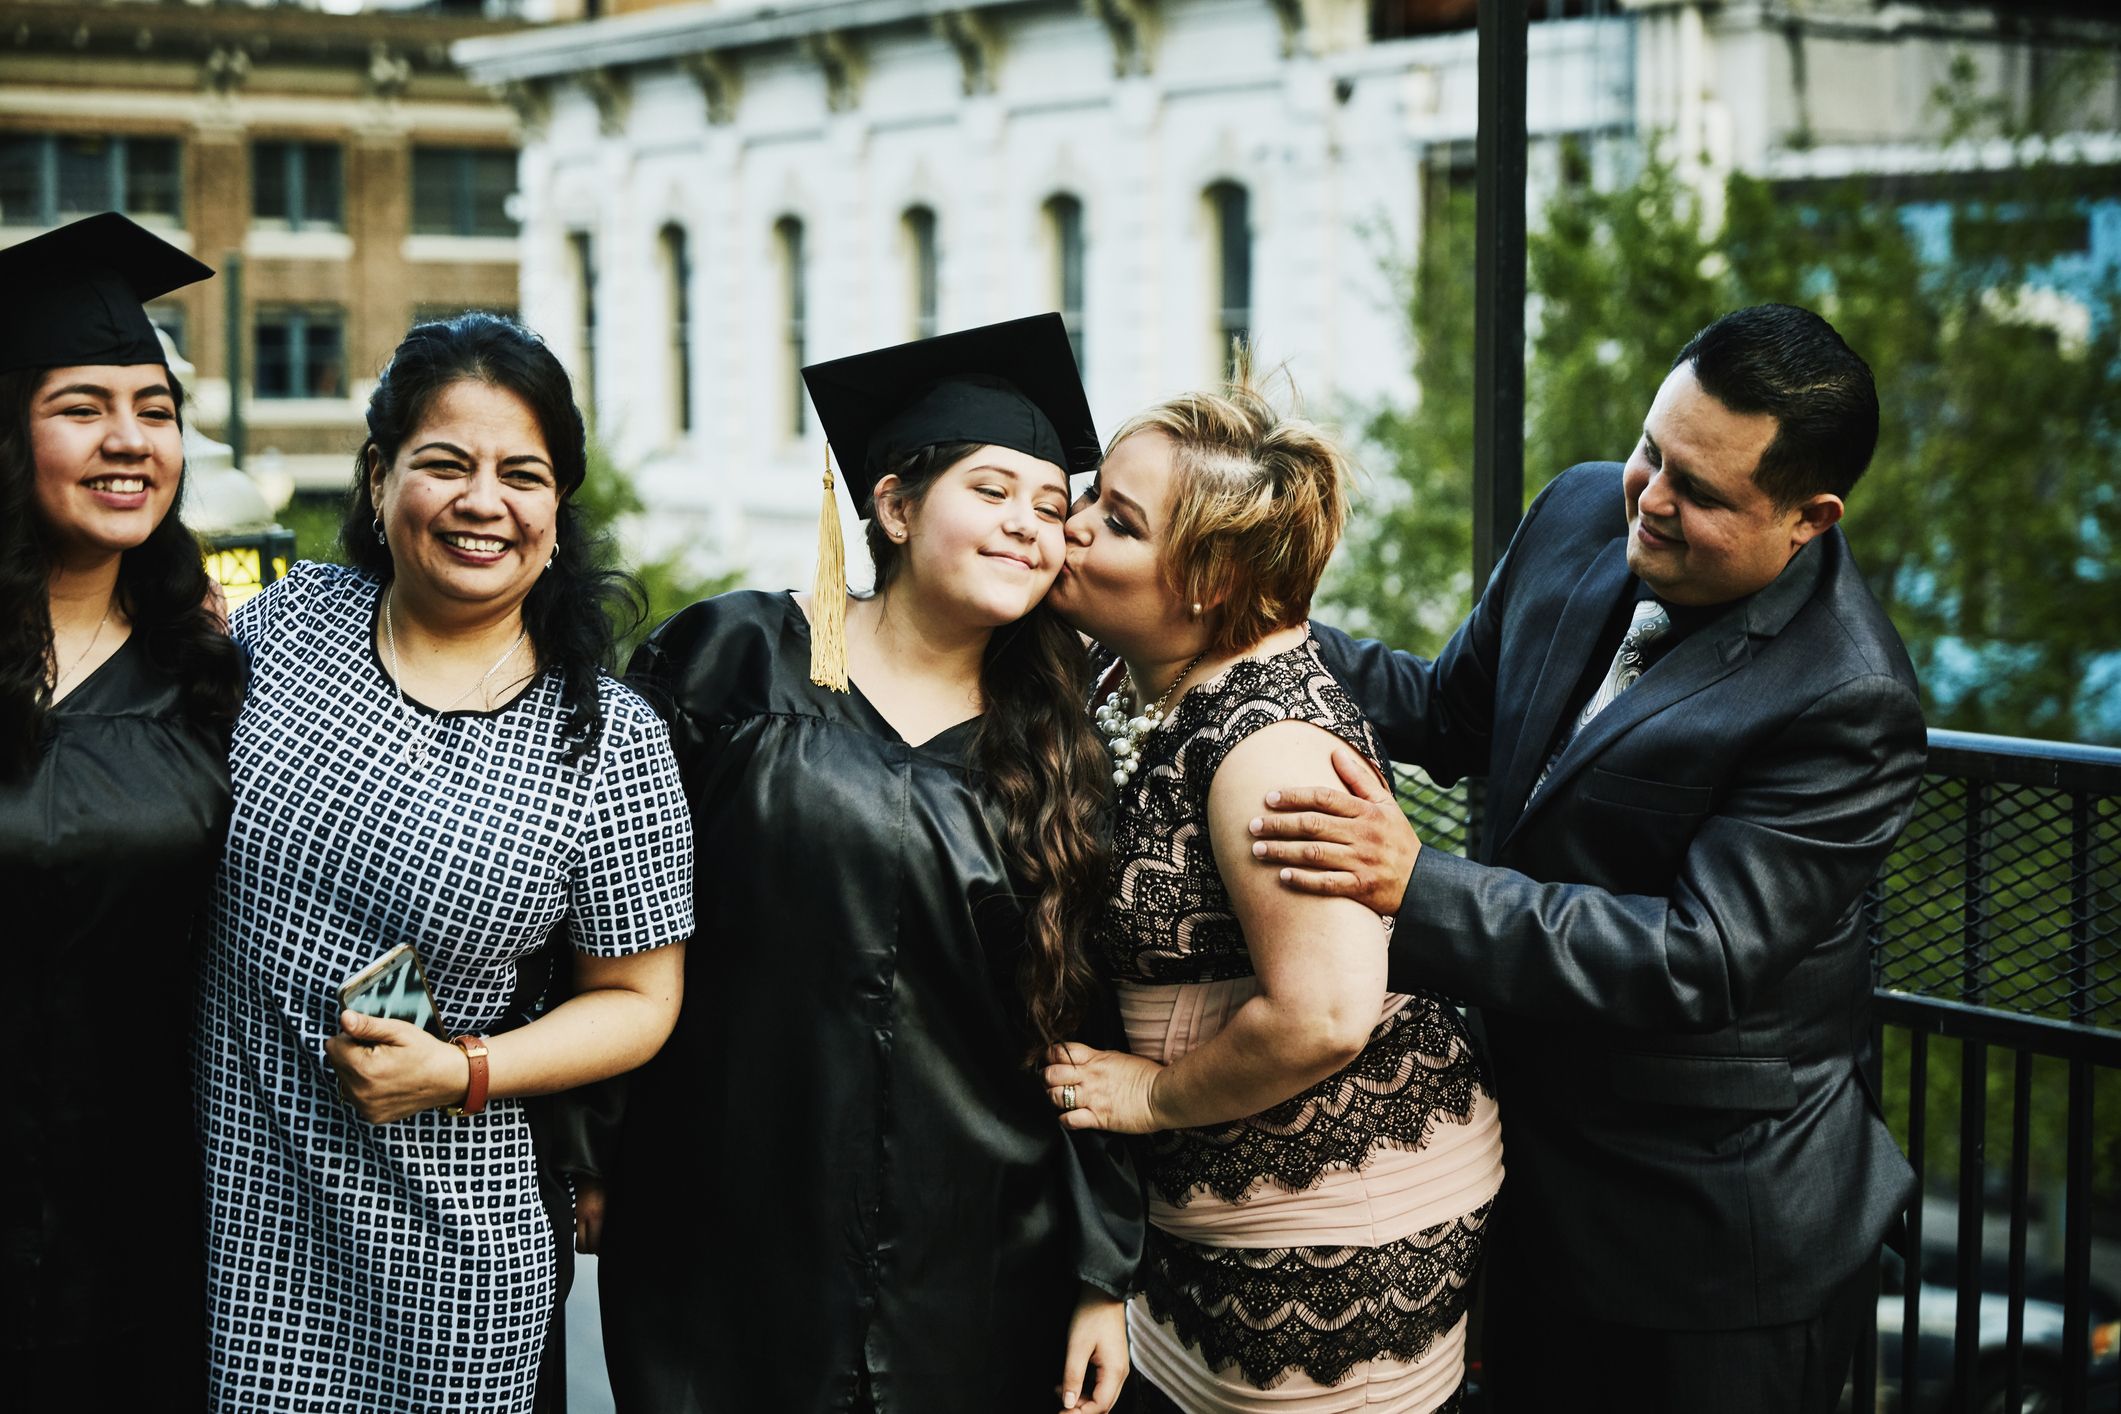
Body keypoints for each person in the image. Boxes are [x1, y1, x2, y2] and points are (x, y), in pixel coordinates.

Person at [1251, 304, 1925, 1413]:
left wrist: (1416, 887)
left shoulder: (1852, 697)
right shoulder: (1577, 508)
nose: (1650, 499)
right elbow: (1449, 709)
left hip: (1716, 1250)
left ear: (1809, 518)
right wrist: (1247, 628)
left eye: (1700, 493)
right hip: (1532, 1192)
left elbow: (1696, 957)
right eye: (1651, 450)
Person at [583, 314, 1141, 1414]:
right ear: (892, 505)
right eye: (991, 490)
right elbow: (603, 911)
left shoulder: (1055, 749)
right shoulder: (729, 662)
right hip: (726, 1223)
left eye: (1049, 503)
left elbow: (1080, 1022)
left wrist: (1098, 1277)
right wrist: (589, 1144)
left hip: (976, 1258)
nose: (1030, 525)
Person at [194, 312, 694, 1413]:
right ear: (378, 479)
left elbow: (642, 997)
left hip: (447, 1252)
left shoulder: (606, 737)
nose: (484, 501)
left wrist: (465, 1067)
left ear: (558, 511)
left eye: (523, 473)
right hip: (234, 1211)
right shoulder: (282, 630)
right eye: (444, 463)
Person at [1037, 362, 1503, 1414]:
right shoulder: (1152, 671)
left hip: (1331, 1225)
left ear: (1203, 581)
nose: (1068, 527)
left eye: (1114, 520)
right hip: (1217, 1208)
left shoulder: (1273, 750)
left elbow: (1326, 1013)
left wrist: (1149, 1094)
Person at [0, 213, 243, 1411]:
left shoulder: (214, 681)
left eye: (155, 410)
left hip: (150, 1224)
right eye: (82, 406)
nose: (129, 441)